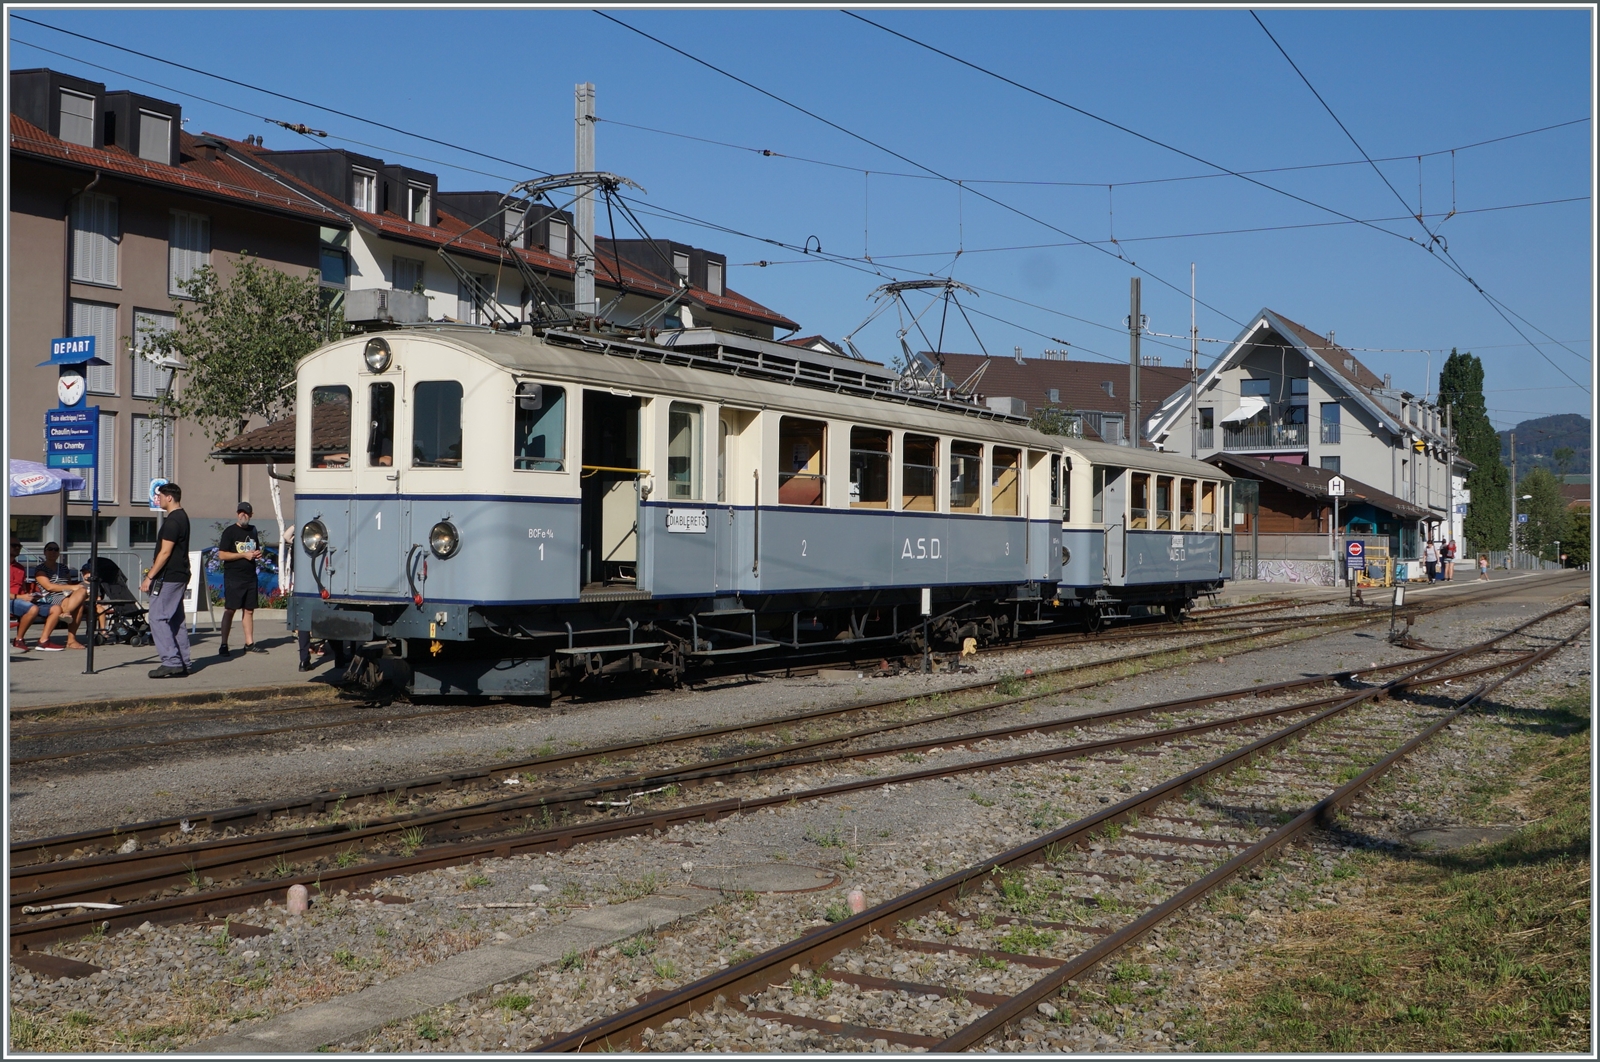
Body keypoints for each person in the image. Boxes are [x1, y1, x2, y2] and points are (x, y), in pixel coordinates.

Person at [141, 482, 192, 678]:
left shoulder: (172, 521)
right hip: (179, 575)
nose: (158, 499)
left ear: (169, 497)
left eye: (160, 496)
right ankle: (183, 662)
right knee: (175, 619)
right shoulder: (183, 517)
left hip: (169, 576)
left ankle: (171, 661)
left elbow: (165, 552)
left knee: (157, 616)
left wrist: (149, 576)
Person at [217, 502, 267, 657]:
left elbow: (255, 550)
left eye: (246, 512)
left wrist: (257, 554)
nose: (243, 515)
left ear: (251, 515)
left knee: (249, 610)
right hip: (234, 577)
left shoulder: (252, 531)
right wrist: (243, 555)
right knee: (230, 610)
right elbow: (222, 555)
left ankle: (249, 643)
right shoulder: (230, 532)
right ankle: (224, 644)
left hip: (250, 576)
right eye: (240, 512)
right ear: (237, 514)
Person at [30, 542, 88, 650]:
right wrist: (72, 588)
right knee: (79, 606)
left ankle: (67, 613)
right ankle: (71, 639)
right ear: (45, 552)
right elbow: (49, 587)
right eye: (50, 549)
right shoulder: (40, 569)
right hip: (49, 596)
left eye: (56, 549)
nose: (53, 551)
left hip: (66, 595)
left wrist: (74, 589)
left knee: (82, 592)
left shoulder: (63, 567)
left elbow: (69, 583)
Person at [10, 539, 47, 651]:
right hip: (10, 599)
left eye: (19, 546)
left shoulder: (20, 567)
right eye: (14, 545)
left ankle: (45, 640)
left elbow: (22, 587)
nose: (17, 548)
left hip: (20, 599)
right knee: (32, 609)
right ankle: (19, 639)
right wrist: (21, 597)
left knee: (55, 609)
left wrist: (32, 595)